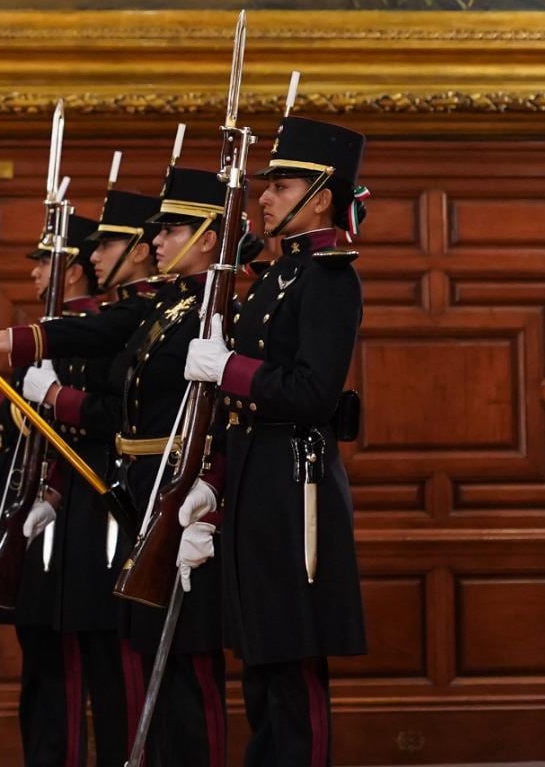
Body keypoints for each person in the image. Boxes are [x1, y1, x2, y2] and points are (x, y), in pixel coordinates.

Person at [0, 161, 237, 767]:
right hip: (136, 490)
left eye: (170, 231)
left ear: (209, 236)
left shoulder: (213, 308)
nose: (154, 243)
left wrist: (29, 387)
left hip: (169, 491)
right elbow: (93, 342)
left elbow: (123, 409)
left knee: (168, 667)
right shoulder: (168, 307)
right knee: (136, 657)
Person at [180, 117, 367, 767]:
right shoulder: (277, 277)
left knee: (292, 667)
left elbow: (314, 390)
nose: (264, 197)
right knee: (261, 660)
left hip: (296, 482)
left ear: (321, 195)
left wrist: (226, 367)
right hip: (258, 478)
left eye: (281, 186)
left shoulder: (329, 277)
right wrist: (214, 483)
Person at [0, 210, 121, 766]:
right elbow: (21, 430)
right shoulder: (54, 328)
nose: (33, 276)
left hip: (71, 502)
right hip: (29, 498)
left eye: (45, 263)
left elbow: (57, 423)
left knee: (68, 662)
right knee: (43, 662)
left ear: (74, 270)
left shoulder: (90, 328)